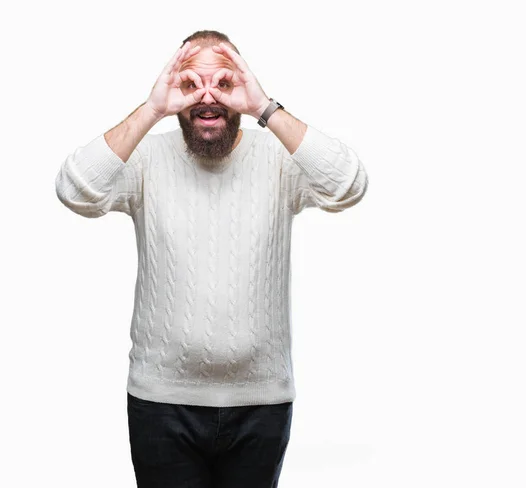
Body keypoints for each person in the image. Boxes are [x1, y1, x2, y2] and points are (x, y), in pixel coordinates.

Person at [54, 29, 369, 488]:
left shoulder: (278, 159)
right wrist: (151, 109)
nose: (208, 97)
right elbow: (74, 189)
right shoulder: (146, 158)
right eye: (190, 85)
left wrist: (265, 107)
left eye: (223, 84)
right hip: (162, 404)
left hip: (261, 403)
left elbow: (349, 186)